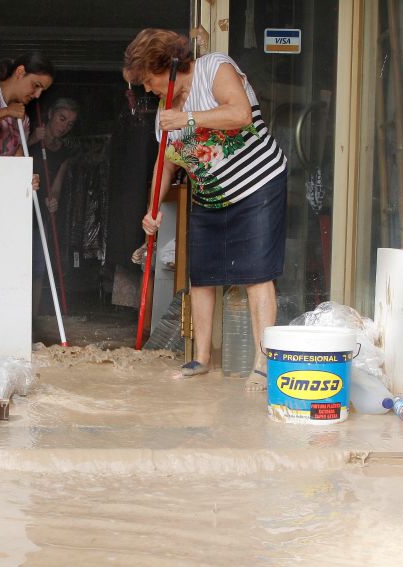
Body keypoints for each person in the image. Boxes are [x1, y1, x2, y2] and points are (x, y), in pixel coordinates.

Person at [123, 29, 288, 390]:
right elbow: (165, 165)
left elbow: (240, 113)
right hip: (211, 195)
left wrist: (189, 119)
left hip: (257, 184)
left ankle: (264, 364)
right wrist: (153, 209)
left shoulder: (213, 68)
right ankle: (201, 358)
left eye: (148, 81)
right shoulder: (165, 115)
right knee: (203, 274)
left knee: (256, 274)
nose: (147, 90)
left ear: (164, 67)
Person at [29, 98, 79, 317]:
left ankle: (33, 315)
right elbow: (10, 161)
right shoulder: (28, 134)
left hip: (39, 215)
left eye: (69, 124)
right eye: (62, 119)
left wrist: (53, 201)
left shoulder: (63, 153)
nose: (64, 126)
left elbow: (55, 187)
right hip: (16, 210)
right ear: (50, 114)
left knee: (39, 267)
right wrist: (31, 139)